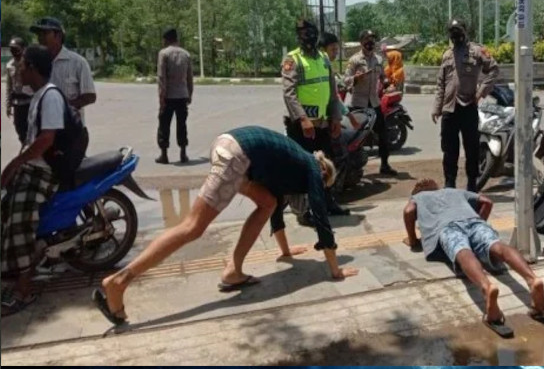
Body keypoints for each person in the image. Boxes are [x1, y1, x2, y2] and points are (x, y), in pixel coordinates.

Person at [93, 125, 359, 325]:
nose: (319, 190)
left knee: (266, 202)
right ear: (324, 175)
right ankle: (119, 282)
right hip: (236, 156)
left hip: (229, 145)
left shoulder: (296, 163)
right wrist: (335, 270)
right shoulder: (313, 170)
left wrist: (287, 252)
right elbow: (321, 217)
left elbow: (276, 205)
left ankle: (234, 271)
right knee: (192, 226)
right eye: (324, 187)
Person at [402, 178, 544, 337]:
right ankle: (532, 279)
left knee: (462, 250)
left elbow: (408, 211)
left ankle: (486, 287)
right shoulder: (453, 191)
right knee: (497, 245)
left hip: (447, 228)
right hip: (475, 222)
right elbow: (487, 202)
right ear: (437, 188)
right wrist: (479, 224)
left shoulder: (418, 197)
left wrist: (413, 240)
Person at [1, 45, 68, 316]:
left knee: (20, 225)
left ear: (33, 68)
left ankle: (23, 291)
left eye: (22, 64)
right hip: (30, 169)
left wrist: (15, 164)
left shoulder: (49, 96)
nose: (18, 68)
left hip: (43, 173)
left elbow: (45, 140)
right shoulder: (37, 95)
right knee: (5, 214)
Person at [282, 20, 348, 218]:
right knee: (302, 168)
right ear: (298, 37)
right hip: (302, 127)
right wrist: (302, 119)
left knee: (326, 166)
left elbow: (332, 91)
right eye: (303, 34)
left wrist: (335, 118)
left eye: (310, 33)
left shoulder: (323, 59)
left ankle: (328, 203)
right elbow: (289, 93)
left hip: (322, 124)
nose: (308, 37)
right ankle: (303, 210)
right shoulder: (293, 59)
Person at [431, 19, 499, 191]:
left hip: (468, 106)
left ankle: (471, 184)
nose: (455, 34)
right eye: (452, 31)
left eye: (458, 30)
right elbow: (441, 83)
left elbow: (493, 69)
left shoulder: (477, 51)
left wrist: (481, 92)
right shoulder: (447, 55)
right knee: (449, 150)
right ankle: (450, 184)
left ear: (465, 31)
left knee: (471, 149)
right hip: (449, 109)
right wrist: (436, 107)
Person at [344, 29, 397, 176]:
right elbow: (346, 80)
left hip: (374, 102)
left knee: (383, 134)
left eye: (372, 40)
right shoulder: (354, 60)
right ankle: (351, 167)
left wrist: (387, 83)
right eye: (367, 40)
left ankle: (385, 165)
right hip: (358, 103)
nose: (370, 42)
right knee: (355, 137)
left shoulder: (378, 59)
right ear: (361, 42)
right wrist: (356, 79)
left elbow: (382, 76)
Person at [29, 17, 96, 123]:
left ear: (58, 36)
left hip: (70, 128)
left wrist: (63, 106)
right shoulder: (34, 63)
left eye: (45, 33)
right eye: (38, 35)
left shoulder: (78, 62)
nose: (40, 38)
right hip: (43, 125)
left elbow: (90, 96)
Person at [155, 28, 194, 164]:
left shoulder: (163, 54)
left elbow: (162, 78)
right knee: (182, 124)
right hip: (182, 95)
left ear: (166, 39)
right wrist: (190, 94)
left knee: (164, 125)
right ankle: (183, 153)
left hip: (168, 96)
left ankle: (164, 155)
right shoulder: (186, 54)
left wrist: (161, 99)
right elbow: (190, 78)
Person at [5, 37, 33, 145]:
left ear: (23, 49)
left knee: (31, 127)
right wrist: (8, 105)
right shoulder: (9, 65)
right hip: (17, 103)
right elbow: (9, 86)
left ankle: (30, 149)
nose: (14, 52)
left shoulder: (29, 63)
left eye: (16, 49)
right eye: (11, 50)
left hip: (30, 101)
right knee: (18, 127)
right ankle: (24, 145)